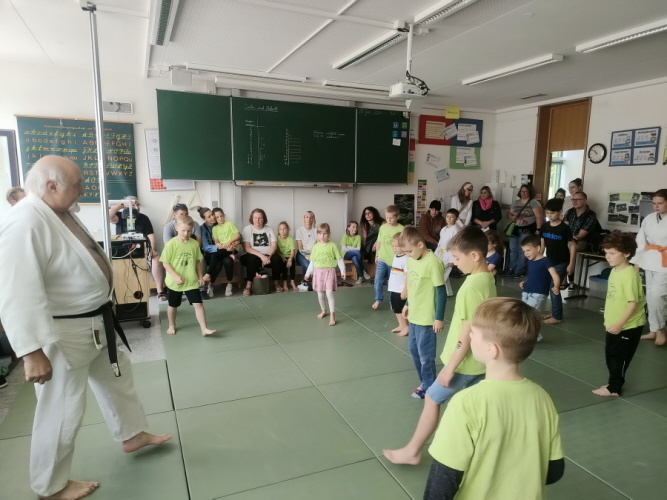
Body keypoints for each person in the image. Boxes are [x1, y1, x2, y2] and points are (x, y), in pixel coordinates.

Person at [0, 155, 170, 500]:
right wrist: (31, 351)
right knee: (61, 409)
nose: (82, 190)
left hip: (95, 322)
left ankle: (132, 434)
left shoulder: (59, 211)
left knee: (118, 380)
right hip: (64, 334)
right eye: (77, 184)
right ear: (51, 186)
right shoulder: (25, 222)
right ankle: (50, 486)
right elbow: (15, 290)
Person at [424, 298, 564, 499]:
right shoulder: (542, 398)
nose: (469, 335)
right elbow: (554, 471)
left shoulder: (465, 403)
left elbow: (441, 484)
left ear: (492, 349)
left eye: (473, 333)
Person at [383, 226, 496, 466]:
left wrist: (450, 368)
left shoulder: (471, 287)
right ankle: (480, 451)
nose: (454, 263)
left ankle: (413, 451)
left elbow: (467, 332)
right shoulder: (487, 279)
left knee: (432, 398)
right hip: (480, 361)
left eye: (457, 258)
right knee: (473, 408)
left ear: (475, 255)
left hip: (465, 363)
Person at [593, 232, 646, 397]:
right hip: (614, 323)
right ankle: (613, 382)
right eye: (606, 252)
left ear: (626, 254)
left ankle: (614, 388)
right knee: (611, 355)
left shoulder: (629, 276)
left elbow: (633, 303)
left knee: (619, 358)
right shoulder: (615, 270)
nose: (607, 256)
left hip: (627, 326)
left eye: (612, 253)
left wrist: (619, 324)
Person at [398, 227, 445, 398]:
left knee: (426, 355)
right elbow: (413, 285)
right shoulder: (412, 260)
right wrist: (407, 304)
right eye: (405, 252)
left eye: (409, 251)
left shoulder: (433, 263)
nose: (408, 255)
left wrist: (438, 318)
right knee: (413, 349)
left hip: (427, 318)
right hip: (414, 315)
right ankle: (426, 381)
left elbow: (441, 292)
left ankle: (429, 386)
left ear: (420, 244)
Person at [161, 215, 216, 336]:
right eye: (183, 230)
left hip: (191, 280)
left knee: (198, 304)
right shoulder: (171, 244)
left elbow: (197, 262)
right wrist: (175, 276)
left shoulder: (194, 244)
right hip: (174, 282)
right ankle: (171, 325)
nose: (186, 234)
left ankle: (204, 328)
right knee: (173, 305)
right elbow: (165, 263)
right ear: (176, 228)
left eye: (189, 231)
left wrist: (200, 277)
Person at [110, 196, 166, 300]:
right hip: (123, 251)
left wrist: (152, 249)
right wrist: (120, 205)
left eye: (137, 205)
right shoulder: (119, 216)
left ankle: (160, 291)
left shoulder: (144, 218)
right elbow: (108, 216)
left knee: (157, 259)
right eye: (133, 205)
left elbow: (150, 235)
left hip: (143, 249)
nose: (137, 207)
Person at [631, 188, 667, 346]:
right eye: (654, 203)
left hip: (665, 263)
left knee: (657, 296)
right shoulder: (649, 219)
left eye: (660, 203)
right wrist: (637, 261)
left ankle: (661, 330)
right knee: (650, 296)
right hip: (650, 259)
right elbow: (641, 241)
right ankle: (653, 329)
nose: (656, 206)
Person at [540, 198, 576, 325]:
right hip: (549, 261)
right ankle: (555, 312)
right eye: (547, 213)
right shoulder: (545, 226)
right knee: (549, 287)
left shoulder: (564, 228)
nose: (549, 216)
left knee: (554, 287)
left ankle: (557, 316)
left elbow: (573, 245)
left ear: (560, 212)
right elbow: (542, 244)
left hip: (561, 262)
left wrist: (571, 264)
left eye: (552, 213)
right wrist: (539, 259)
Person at [303, 223, 346, 326]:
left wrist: (343, 271)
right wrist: (307, 274)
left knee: (329, 293)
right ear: (317, 234)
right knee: (320, 294)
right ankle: (323, 310)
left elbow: (339, 259)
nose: (322, 236)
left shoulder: (333, 245)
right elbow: (312, 262)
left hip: (330, 272)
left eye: (325, 233)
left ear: (329, 234)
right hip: (318, 273)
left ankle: (332, 315)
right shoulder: (315, 247)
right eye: (320, 233)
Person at [519, 234, 560, 342]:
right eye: (524, 251)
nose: (526, 253)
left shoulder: (546, 261)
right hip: (527, 291)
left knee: (530, 314)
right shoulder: (530, 261)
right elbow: (533, 276)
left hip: (538, 293)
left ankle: (533, 335)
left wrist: (556, 286)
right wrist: (525, 282)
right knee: (524, 313)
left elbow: (555, 275)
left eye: (528, 250)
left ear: (537, 248)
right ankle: (530, 334)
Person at [239, 208, 285, 296]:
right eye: (255, 218)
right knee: (252, 259)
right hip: (250, 255)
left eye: (260, 218)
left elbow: (274, 246)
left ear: (264, 219)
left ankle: (276, 283)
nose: (257, 220)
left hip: (267, 255)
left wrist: (267, 256)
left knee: (277, 259)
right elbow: (247, 248)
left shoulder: (269, 229)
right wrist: (262, 256)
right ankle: (248, 286)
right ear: (252, 219)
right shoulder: (247, 229)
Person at [506, 183, 544, 278]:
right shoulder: (516, 202)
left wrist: (538, 229)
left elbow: (539, 217)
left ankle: (519, 270)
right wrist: (511, 217)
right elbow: (509, 213)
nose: (523, 193)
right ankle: (511, 268)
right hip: (515, 229)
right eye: (522, 191)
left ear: (529, 192)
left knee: (522, 250)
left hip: (527, 229)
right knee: (513, 250)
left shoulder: (534, 203)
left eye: (526, 191)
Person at [372, 205, 404, 309]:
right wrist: (377, 255)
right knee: (378, 280)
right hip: (382, 258)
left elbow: (404, 245)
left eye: (391, 218)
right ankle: (378, 299)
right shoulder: (383, 227)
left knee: (393, 282)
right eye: (387, 217)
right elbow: (379, 241)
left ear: (397, 217)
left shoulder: (402, 229)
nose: (389, 220)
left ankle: (392, 301)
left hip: (395, 261)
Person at [210, 207, 241, 297]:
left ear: (224, 215)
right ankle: (211, 284)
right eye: (217, 217)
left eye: (221, 216)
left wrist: (229, 242)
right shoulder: (215, 228)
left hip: (232, 247)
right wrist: (220, 245)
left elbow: (237, 235)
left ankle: (228, 284)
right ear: (215, 218)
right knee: (225, 261)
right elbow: (216, 241)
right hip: (223, 249)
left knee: (216, 256)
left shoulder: (230, 224)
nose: (220, 218)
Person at [388, 233, 409, 337]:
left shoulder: (406, 259)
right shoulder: (395, 257)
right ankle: (401, 325)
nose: (394, 248)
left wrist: (405, 289)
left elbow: (408, 275)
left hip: (400, 289)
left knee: (401, 309)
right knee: (396, 308)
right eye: (393, 246)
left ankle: (406, 327)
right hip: (394, 288)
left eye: (397, 246)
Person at [436, 208, 460, 297]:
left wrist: (453, 259)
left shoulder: (456, 230)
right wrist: (436, 254)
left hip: (449, 254)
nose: (449, 219)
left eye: (452, 217)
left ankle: (440, 292)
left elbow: (455, 245)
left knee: (442, 274)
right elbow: (440, 242)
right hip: (440, 253)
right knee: (443, 273)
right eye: (447, 216)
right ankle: (448, 292)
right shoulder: (443, 229)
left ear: (456, 219)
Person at [340, 220, 364, 284]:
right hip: (345, 254)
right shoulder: (345, 236)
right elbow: (344, 249)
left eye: (356, 227)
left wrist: (348, 247)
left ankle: (360, 277)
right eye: (353, 227)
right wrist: (353, 249)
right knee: (357, 253)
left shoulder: (358, 237)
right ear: (348, 228)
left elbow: (358, 249)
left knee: (355, 259)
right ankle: (363, 270)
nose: (355, 229)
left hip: (355, 255)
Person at [276, 221, 297, 292]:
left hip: (289, 256)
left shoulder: (290, 239)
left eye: (284, 229)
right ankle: (284, 282)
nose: (282, 231)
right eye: (280, 229)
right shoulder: (277, 239)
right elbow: (276, 251)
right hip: (281, 256)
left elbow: (292, 252)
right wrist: (282, 257)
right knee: (284, 265)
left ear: (288, 230)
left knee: (293, 262)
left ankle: (292, 281)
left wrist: (290, 259)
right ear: (278, 230)